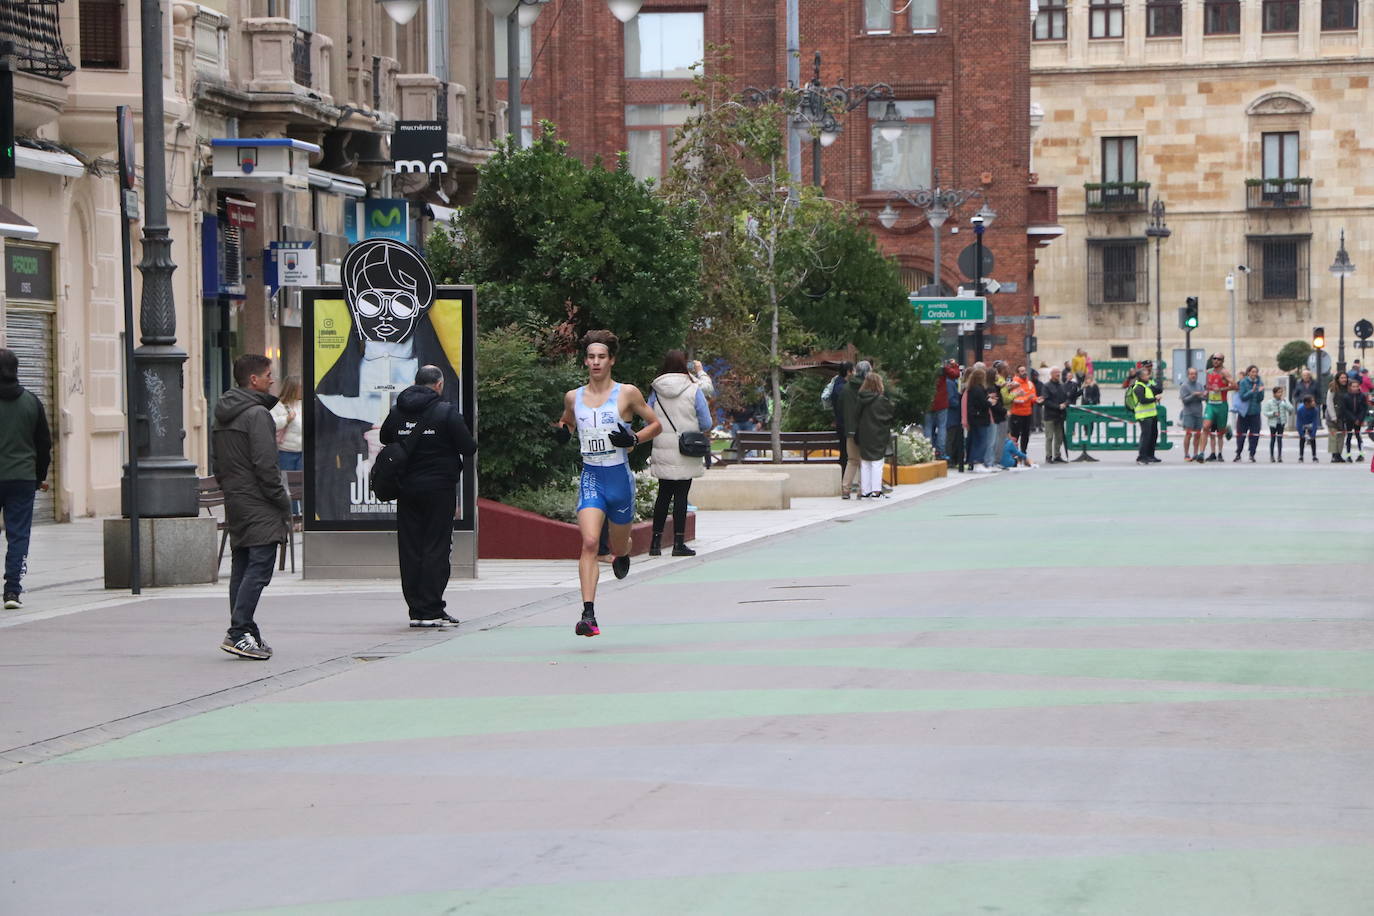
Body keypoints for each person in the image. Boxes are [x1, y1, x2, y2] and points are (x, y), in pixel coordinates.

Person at [554, 330, 660, 637]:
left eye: (601, 357)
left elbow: (656, 424)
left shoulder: (627, 393)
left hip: (619, 479)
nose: (596, 362)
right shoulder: (574, 397)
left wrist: (634, 438)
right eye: (591, 357)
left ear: (611, 360)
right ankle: (588, 614)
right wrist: (563, 431)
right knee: (588, 542)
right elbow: (567, 421)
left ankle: (623, 552)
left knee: (618, 542)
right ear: (585, 361)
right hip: (592, 477)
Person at [379, 364, 478, 627]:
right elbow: (468, 447)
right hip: (439, 490)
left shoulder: (398, 410)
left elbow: (385, 436)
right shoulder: (445, 412)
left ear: (416, 382)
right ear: (439, 385)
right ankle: (432, 608)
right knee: (436, 546)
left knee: (410, 548)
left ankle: (416, 611)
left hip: (407, 488)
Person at [213, 354, 291, 659]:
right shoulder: (257, 414)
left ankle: (246, 630)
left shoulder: (222, 413)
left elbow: (217, 462)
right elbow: (265, 464)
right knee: (259, 567)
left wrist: (230, 488)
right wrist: (281, 500)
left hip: (236, 498)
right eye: (268, 375)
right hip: (259, 501)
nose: (272, 379)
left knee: (243, 566)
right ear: (254, 380)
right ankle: (238, 631)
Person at [0, 348, 53, 610]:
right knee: (18, 535)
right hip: (21, 478)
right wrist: (38, 476)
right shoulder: (32, 402)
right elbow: (44, 445)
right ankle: (12, 591)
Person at [647, 349, 711, 557]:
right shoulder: (693, 389)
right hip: (686, 448)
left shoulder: (655, 390)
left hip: (662, 448)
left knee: (663, 495)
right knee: (681, 496)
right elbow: (707, 422)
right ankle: (678, 543)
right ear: (685, 365)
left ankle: (655, 544)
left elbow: (647, 417)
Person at [855, 371, 895, 498]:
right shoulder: (881, 400)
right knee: (877, 462)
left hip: (864, 433)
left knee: (865, 462)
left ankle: (865, 490)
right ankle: (876, 490)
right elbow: (889, 416)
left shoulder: (860, 398)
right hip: (878, 434)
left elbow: (856, 415)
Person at [271, 375, 304, 517]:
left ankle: (302, 515)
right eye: (300, 388)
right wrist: (286, 419)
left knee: (301, 484)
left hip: (302, 451)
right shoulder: (279, 406)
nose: (302, 391)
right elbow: (271, 423)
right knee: (287, 485)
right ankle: (291, 514)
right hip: (286, 451)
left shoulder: (303, 404)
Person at [840, 360, 871, 498]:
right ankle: (861, 489)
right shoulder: (868, 388)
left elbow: (840, 407)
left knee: (852, 460)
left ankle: (846, 489)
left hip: (850, 429)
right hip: (866, 429)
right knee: (864, 460)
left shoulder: (846, 388)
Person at [1200, 354, 1235, 463]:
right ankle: (1201, 453)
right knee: (1206, 427)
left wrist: (1221, 389)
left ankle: (1220, 452)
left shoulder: (1225, 373)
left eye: (1218, 359)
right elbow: (1207, 386)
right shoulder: (1208, 372)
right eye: (1214, 359)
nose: (1215, 361)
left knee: (1220, 432)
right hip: (1210, 404)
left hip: (1222, 405)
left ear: (1222, 361)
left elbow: (1235, 386)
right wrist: (1206, 391)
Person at [961, 367, 995, 473]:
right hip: (980, 418)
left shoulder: (971, 388)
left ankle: (973, 462)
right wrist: (990, 402)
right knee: (982, 441)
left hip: (974, 418)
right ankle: (978, 462)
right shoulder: (978, 389)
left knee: (975, 441)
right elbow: (982, 403)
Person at [1129, 361, 1163, 464]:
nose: (1148, 375)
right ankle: (1141, 457)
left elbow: (1158, 389)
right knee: (1146, 436)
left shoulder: (1146, 385)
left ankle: (1150, 455)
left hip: (1151, 414)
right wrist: (1155, 399)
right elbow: (1143, 400)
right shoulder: (1138, 387)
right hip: (1143, 415)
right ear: (1141, 376)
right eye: (1146, 374)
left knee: (1153, 435)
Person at [1233, 365, 1264, 462]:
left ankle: (1252, 454)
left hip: (1255, 412)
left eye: (1256, 372)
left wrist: (1259, 392)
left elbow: (1260, 399)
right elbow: (1242, 397)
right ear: (1248, 373)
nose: (1254, 374)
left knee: (1255, 434)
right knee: (1241, 434)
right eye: (1252, 372)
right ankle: (1238, 453)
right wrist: (1252, 391)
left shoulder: (1260, 382)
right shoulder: (1243, 382)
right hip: (1244, 413)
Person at [1007, 365, 1040, 454]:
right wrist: (1028, 398)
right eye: (1021, 371)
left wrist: (1037, 399)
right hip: (1016, 413)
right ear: (1017, 373)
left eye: (1024, 370)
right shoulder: (1014, 384)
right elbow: (1015, 400)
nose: (1024, 372)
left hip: (1027, 413)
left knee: (1026, 434)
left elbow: (1033, 396)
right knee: (1015, 435)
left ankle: (1023, 453)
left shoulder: (1030, 383)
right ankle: (1013, 453)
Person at [828, 361, 852, 482]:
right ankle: (843, 480)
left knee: (845, 454)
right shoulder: (843, 388)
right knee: (845, 454)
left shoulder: (837, 385)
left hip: (840, 423)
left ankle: (843, 480)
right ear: (848, 372)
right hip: (844, 425)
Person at [1041, 366, 1070, 464]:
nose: (1058, 374)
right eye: (1056, 373)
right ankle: (1048, 456)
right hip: (1049, 415)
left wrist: (1066, 403)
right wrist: (1058, 406)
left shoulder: (1062, 386)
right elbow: (1046, 401)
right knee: (1049, 437)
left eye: (1059, 373)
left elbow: (1066, 397)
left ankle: (1057, 455)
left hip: (1060, 415)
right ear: (1051, 374)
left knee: (1059, 437)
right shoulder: (1046, 386)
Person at [924, 360, 951, 460]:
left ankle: (928, 450)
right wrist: (949, 366)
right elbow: (955, 374)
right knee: (942, 427)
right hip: (941, 403)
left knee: (927, 427)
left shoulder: (925, 372)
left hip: (928, 402)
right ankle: (941, 451)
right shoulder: (942, 372)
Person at [1178, 366, 1206, 462]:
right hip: (1188, 413)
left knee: (1198, 435)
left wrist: (1203, 396)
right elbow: (1184, 400)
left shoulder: (1200, 385)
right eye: (1191, 374)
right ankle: (1186, 454)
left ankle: (1195, 453)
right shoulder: (1184, 386)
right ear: (1188, 375)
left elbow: (1204, 398)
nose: (1193, 376)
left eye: (1195, 374)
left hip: (1198, 413)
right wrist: (1194, 395)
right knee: (1188, 434)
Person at [1261, 385, 1295, 463]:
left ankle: (1279, 456)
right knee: (1273, 439)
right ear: (1274, 393)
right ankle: (1272, 456)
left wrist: (1286, 402)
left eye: (1281, 392)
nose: (1280, 394)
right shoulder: (1270, 402)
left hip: (1281, 423)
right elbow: (1265, 412)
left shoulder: (1284, 401)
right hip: (1273, 423)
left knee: (1280, 439)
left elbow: (1291, 409)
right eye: (1278, 392)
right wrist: (1273, 413)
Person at [945, 365, 965, 472]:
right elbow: (951, 400)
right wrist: (960, 403)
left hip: (955, 416)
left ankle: (953, 458)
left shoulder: (953, 382)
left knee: (954, 438)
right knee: (950, 438)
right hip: (952, 416)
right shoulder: (949, 383)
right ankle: (949, 459)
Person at [1326, 371, 1350, 463]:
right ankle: (1334, 455)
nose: (1344, 379)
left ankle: (1339, 454)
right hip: (1333, 416)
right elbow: (1329, 402)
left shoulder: (1348, 388)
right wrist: (1333, 416)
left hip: (1343, 416)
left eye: (1345, 377)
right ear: (1338, 379)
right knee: (1333, 436)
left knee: (1341, 436)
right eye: (1342, 378)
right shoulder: (1332, 388)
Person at [1343, 379, 1368, 462]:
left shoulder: (1362, 396)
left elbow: (1364, 409)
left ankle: (1361, 454)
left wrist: (1359, 419)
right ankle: (1348, 455)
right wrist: (1353, 419)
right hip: (1349, 419)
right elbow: (1345, 410)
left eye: (1357, 386)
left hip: (1358, 419)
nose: (1355, 388)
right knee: (1349, 436)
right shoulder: (1346, 396)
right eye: (1353, 386)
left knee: (1358, 436)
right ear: (1350, 387)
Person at [1296, 395, 1320, 462]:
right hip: (1303, 423)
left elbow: (1315, 422)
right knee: (1302, 439)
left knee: (1313, 440)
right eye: (1312, 401)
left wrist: (1313, 434)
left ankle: (1314, 456)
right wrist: (1301, 433)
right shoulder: (1300, 410)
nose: (1314, 403)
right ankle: (1301, 456)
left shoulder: (1315, 410)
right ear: (1307, 403)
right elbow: (1299, 422)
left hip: (1310, 424)